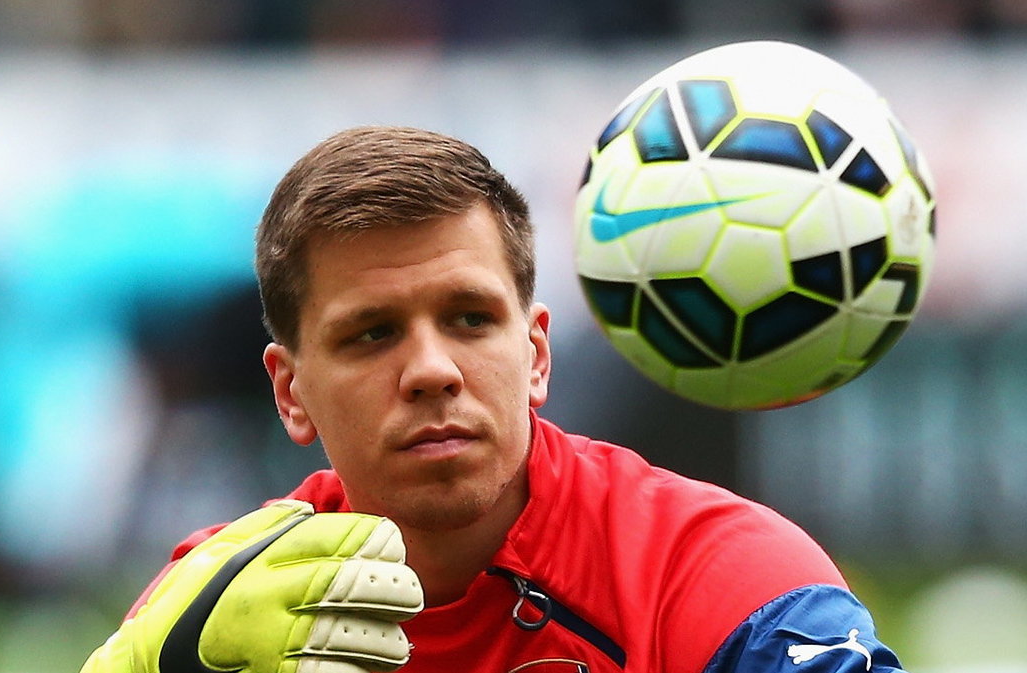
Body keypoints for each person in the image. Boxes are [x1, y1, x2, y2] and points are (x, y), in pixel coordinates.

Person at [81, 126, 908, 673]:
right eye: (372, 333)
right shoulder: (217, 607)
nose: (432, 369)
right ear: (291, 392)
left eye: (470, 318)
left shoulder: (713, 576)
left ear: (536, 354)